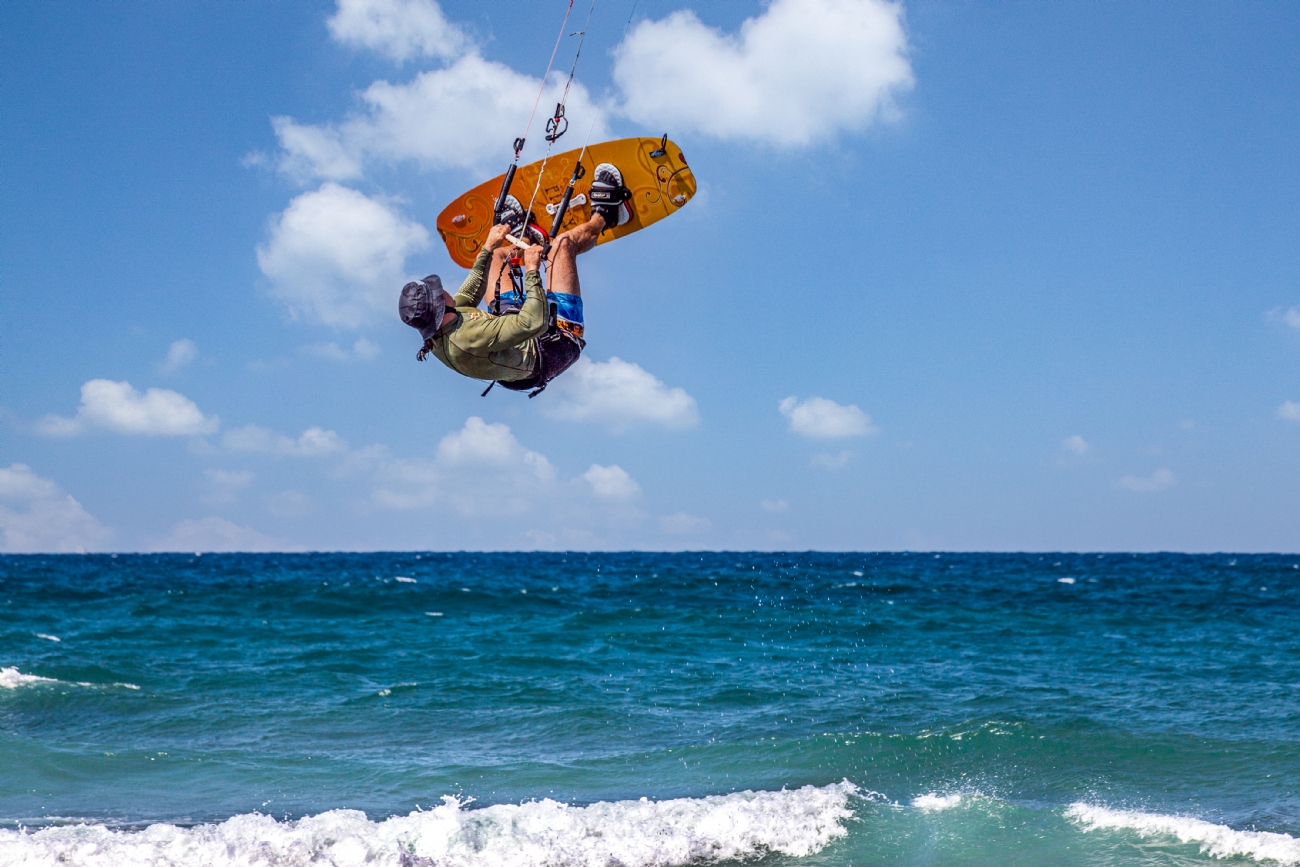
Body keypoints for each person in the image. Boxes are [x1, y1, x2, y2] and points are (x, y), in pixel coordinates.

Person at [399, 163, 633, 396]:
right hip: (550, 347)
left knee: (499, 256)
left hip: (509, 341)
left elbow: (470, 293)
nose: (444, 288)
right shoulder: (466, 337)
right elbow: (533, 322)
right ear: (440, 304)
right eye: (438, 290)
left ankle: (529, 239)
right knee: (560, 247)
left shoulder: (443, 320)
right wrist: (532, 269)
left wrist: (488, 247)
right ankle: (607, 214)